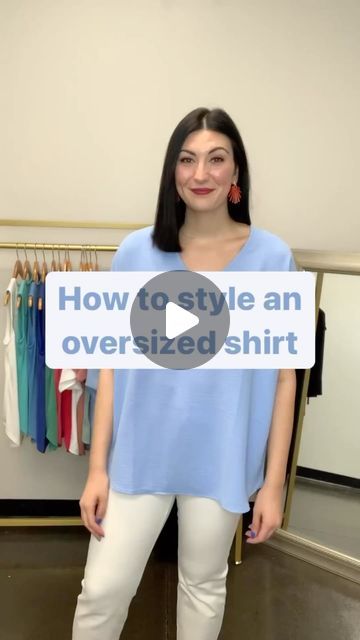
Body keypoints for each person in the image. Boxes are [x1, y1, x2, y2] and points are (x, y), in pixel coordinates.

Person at [72, 107, 297, 639]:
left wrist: (272, 485)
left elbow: (285, 377)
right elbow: (111, 365)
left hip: (221, 457)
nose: (201, 174)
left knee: (203, 586)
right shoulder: (136, 253)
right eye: (188, 159)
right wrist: (97, 469)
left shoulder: (272, 258)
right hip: (140, 454)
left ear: (236, 172)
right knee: (101, 592)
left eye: (216, 159)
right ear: (172, 172)